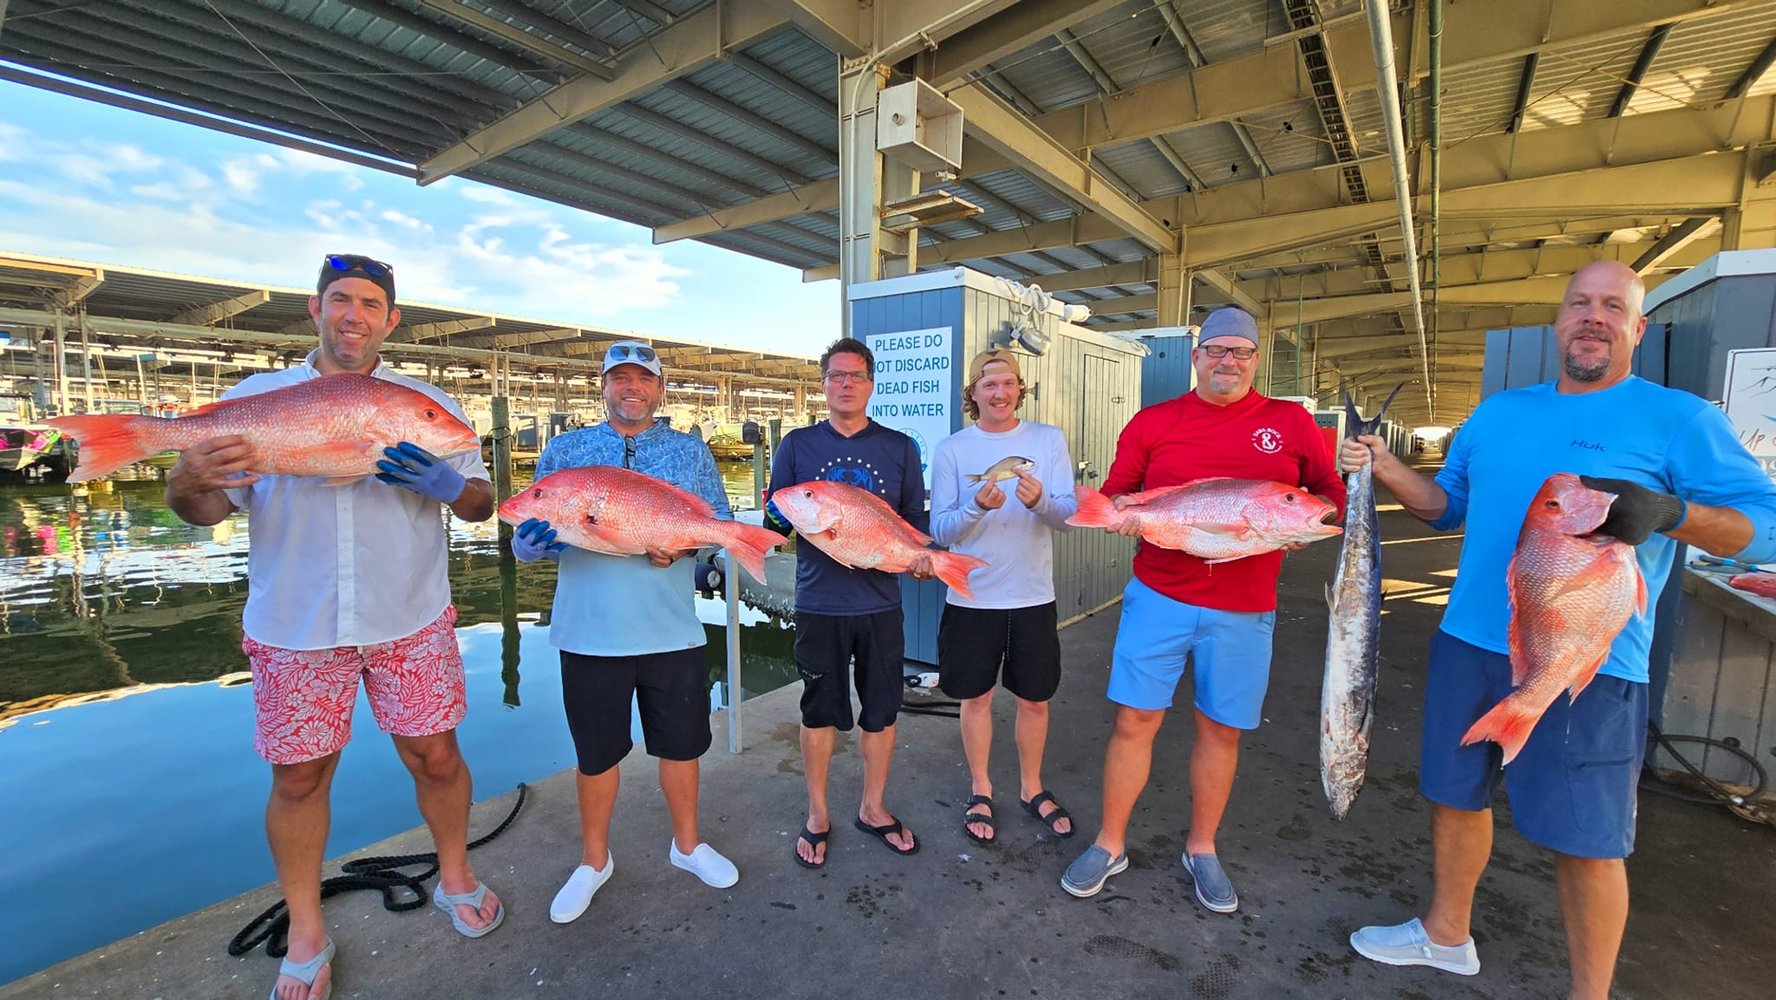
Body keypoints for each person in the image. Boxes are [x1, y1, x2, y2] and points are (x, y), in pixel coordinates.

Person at [1342, 260, 1776, 998]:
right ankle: (1447, 935)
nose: (1593, 317)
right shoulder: (1500, 412)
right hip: (1470, 643)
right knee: (1454, 793)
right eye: (1580, 303)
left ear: (1638, 328)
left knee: (1589, 839)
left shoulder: (1681, 419)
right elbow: (1444, 507)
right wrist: (1384, 465)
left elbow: (1762, 528)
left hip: (1591, 657)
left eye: (1613, 306)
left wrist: (1673, 515)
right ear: (1559, 320)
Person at [166, 254, 502, 1000]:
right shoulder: (257, 398)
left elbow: (481, 502)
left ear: (392, 320)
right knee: (298, 777)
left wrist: (449, 486)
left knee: (438, 758)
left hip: (409, 615)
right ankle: (307, 927)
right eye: (340, 299)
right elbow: (208, 511)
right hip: (296, 624)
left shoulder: (423, 401)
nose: (355, 314)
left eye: (371, 302)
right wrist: (184, 481)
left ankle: (454, 875)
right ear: (315, 309)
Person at [1060, 307, 1345, 912]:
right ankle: (1110, 843)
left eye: (1241, 352)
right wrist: (1120, 514)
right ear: (1197, 357)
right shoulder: (1154, 421)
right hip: (1158, 596)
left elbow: (1329, 496)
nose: (1228, 361)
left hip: (1245, 606)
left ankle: (1203, 848)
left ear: (1255, 360)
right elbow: (1117, 491)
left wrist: (1299, 523)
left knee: (1221, 729)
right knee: (1135, 721)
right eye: (1216, 349)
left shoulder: (1289, 422)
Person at [510, 340, 740, 925]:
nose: (630, 387)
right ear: (603, 386)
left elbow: (715, 524)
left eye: (643, 378)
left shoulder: (689, 452)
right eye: (620, 378)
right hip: (589, 636)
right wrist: (526, 543)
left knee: (683, 746)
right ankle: (594, 861)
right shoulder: (565, 450)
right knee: (596, 755)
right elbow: (528, 526)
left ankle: (686, 845)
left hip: (672, 633)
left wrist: (687, 545)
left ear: (660, 389)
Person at [765, 336, 934, 867]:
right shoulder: (796, 445)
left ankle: (873, 807)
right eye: (835, 376)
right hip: (820, 605)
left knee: (881, 712)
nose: (845, 384)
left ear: (870, 384)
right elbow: (777, 519)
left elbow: (915, 525)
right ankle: (818, 814)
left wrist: (924, 558)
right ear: (823, 385)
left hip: (881, 603)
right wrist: (770, 524)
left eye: (855, 376)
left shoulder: (900, 447)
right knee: (818, 713)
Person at [928, 349, 1078, 843]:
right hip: (971, 599)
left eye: (1008, 383)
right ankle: (981, 787)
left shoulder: (1048, 439)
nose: (999, 393)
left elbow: (1068, 517)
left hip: (1033, 597)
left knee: (1035, 700)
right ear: (972, 394)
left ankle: (1031, 787)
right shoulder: (951, 449)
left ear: (1020, 388)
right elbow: (944, 532)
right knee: (976, 699)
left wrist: (1040, 502)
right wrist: (975, 506)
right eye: (989, 384)